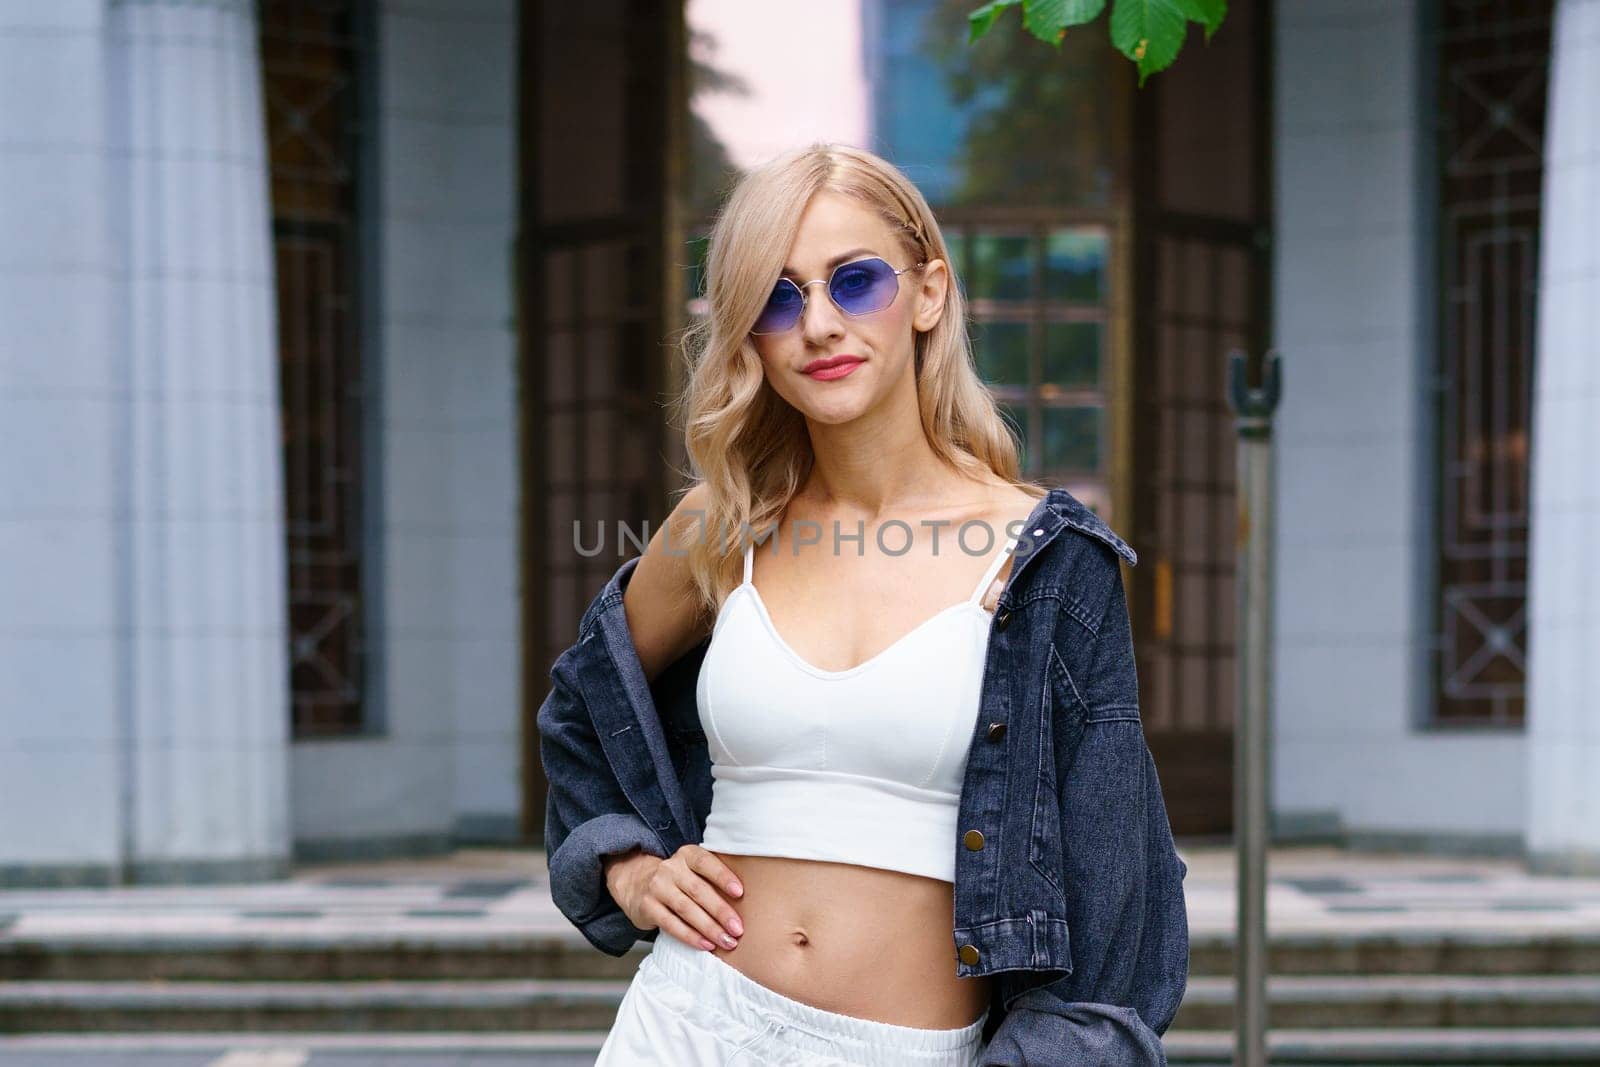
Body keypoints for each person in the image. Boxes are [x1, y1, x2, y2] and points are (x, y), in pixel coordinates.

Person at [538, 142, 1189, 1066]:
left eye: (856, 281)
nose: (819, 325)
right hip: (685, 1023)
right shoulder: (721, 526)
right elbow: (583, 703)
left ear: (928, 293)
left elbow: (1115, 907)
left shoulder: (1048, 562)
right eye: (778, 295)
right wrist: (625, 863)